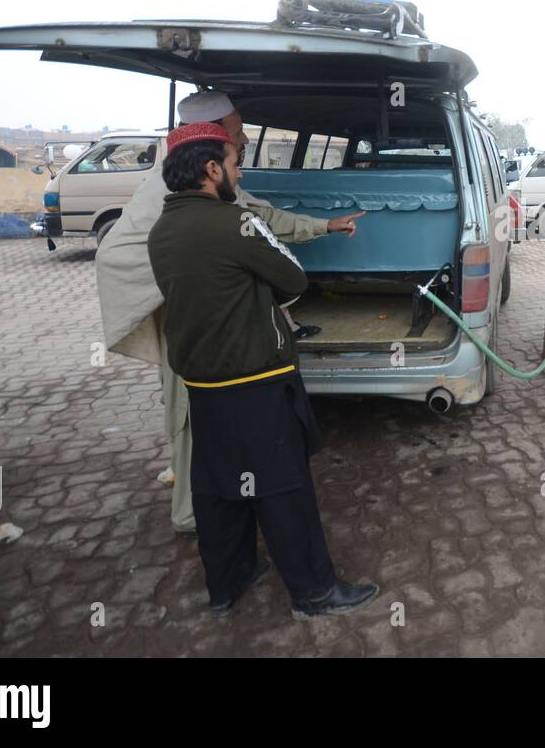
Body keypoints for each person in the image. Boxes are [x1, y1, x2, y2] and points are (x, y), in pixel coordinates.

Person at [95, 90, 363, 536]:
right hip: (178, 312)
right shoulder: (191, 196)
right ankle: (192, 513)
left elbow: (258, 214)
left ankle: (221, 510)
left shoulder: (198, 181)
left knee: (208, 413)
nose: (241, 142)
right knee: (187, 412)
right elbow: (263, 241)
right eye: (236, 133)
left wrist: (324, 226)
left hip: (197, 315)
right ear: (213, 157)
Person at [148, 122, 378, 617]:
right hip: (255, 380)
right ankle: (314, 592)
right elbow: (293, 278)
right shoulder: (237, 224)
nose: (240, 170)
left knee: (218, 489)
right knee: (282, 487)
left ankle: (229, 582)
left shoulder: (161, 231)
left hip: (203, 384)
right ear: (212, 170)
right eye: (234, 162)